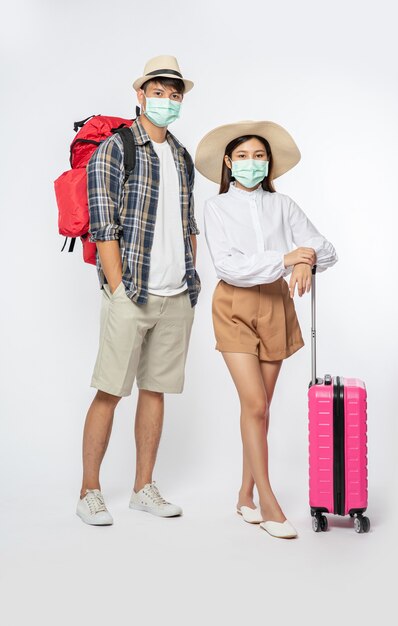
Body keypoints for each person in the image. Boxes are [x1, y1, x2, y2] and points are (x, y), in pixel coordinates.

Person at [195, 120, 337, 538]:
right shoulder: (216, 207)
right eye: (242, 156)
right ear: (228, 161)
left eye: (259, 156)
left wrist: (305, 258)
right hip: (235, 306)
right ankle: (269, 504)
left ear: (269, 163)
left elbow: (327, 249)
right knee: (254, 404)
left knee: (260, 410)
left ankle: (244, 496)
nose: (251, 163)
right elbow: (230, 266)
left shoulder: (284, 205)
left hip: (277, 304)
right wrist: (287, 256)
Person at [76, 55, 201, 526]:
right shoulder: (116, 147)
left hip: (176, 295)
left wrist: (193, 281)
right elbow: (103, 226)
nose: (166, 101)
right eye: (159, 92)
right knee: (110, 390)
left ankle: (142, 487)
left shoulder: (183, 156)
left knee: (155, 391)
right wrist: (118, 287)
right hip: (132, 292)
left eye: (175, 95)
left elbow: (188, 222)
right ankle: (89, 490)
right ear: (140, 94)